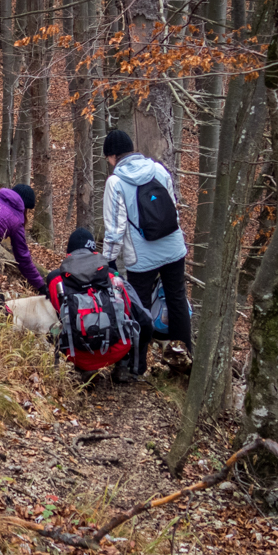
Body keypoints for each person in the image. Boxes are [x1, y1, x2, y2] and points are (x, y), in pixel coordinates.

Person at [101, 129, 192, 355]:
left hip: (142, 259)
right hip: (173, 248)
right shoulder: (159, 169)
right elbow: (173, 210)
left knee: (139, 308)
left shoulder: (116, 182)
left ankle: (138, 363)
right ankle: (184, 354)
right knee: (177, 299)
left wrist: (109, 261)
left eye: (108, 159)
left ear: (113, 156)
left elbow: (115, 228)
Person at [47, 227, 152, 383]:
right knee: (132, 321)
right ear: (94, 251)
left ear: (69, 253)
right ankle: (123, 366)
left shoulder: (55, 279)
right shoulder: (112, 276)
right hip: (117, 350)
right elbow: (145, 320)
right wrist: (137, 364)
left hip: (76, 354)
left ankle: (83, 369)